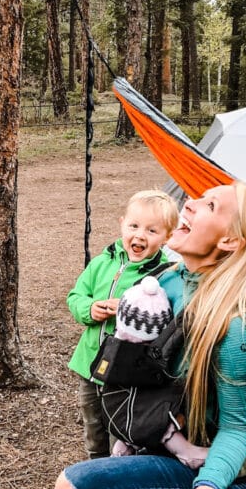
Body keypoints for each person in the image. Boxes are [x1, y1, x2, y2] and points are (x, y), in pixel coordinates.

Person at [40, 181, 246, 489]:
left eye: (209, 205)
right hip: (153, 446)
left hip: (207, 472)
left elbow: (240, 430)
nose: (190, 204)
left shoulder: (237, 329)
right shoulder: (166, 280)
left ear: (229, 240)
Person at [66, 189, 179, 459]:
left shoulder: (163, 275)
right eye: (134, 226)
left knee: (124, 429)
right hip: (90, 365)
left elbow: (165, 321)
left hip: (128, 373)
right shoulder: (102, 263)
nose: (140, 235)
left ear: (168, 237)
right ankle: (95, 466)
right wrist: (89, 309)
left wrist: (128, 311)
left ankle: (121, 472)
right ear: (122, 223)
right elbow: (76, 296)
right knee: (93, 426)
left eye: (152, 231)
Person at [108, 274, 210, 470]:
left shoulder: (118, 344)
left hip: (120, 399)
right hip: (138, 397)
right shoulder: (138, 353)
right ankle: (185, 452)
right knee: (158, 418)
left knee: (134, 413)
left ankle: (124, 446)